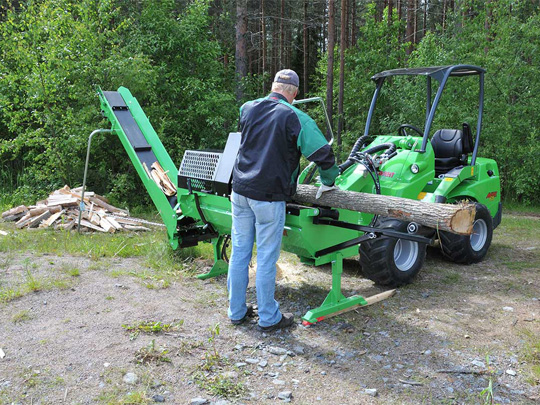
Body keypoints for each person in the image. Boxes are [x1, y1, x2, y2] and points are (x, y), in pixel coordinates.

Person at [227, 69, 339, 332]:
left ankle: (236, 311)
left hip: (240, 190)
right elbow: (324, 155)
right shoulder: (295, 116)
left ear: (274, 87)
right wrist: (328, 182)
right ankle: (268, 317)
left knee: (240, 251)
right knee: (266, 257)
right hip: (268, 196)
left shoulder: (247, 108)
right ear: (295, 93)